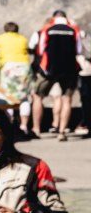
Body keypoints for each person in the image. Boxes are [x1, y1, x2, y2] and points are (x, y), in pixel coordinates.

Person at [31, 10, 84, 139]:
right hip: (69, 69)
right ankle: (62, 131)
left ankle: (36, 129)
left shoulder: (47, 29)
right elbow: (79, 50)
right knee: (66, 99)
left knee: (37, 96)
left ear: (53, 18)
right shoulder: (74, 30)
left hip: (49, 69)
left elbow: (40, 49)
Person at [0, 22, 35, 136]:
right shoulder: (22, 38)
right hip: (24, 68)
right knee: (24, 98)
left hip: (9, 67)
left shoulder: (2, 38)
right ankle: (24, 126)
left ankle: (8, 124)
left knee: (8, 98)